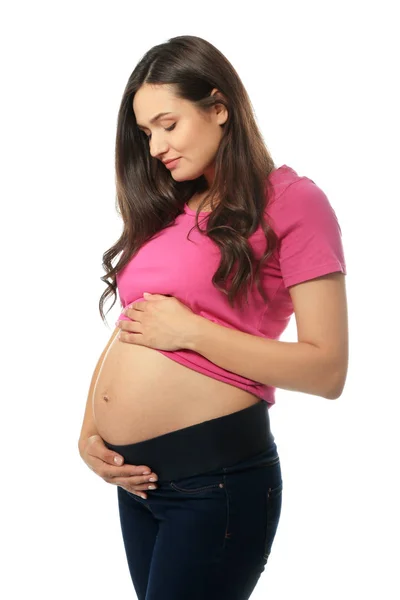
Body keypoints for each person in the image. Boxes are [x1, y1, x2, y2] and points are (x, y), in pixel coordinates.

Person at [78, 35, 348, 600]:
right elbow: (136, 321)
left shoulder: (294, 202)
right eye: (146, 132)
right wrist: (90, 432)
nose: (154, 147)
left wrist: (193, 332)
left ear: (219, 108)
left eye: (167, 124)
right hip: (140, 487)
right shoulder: (173, 210)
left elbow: (327, 371)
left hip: (216, 482)